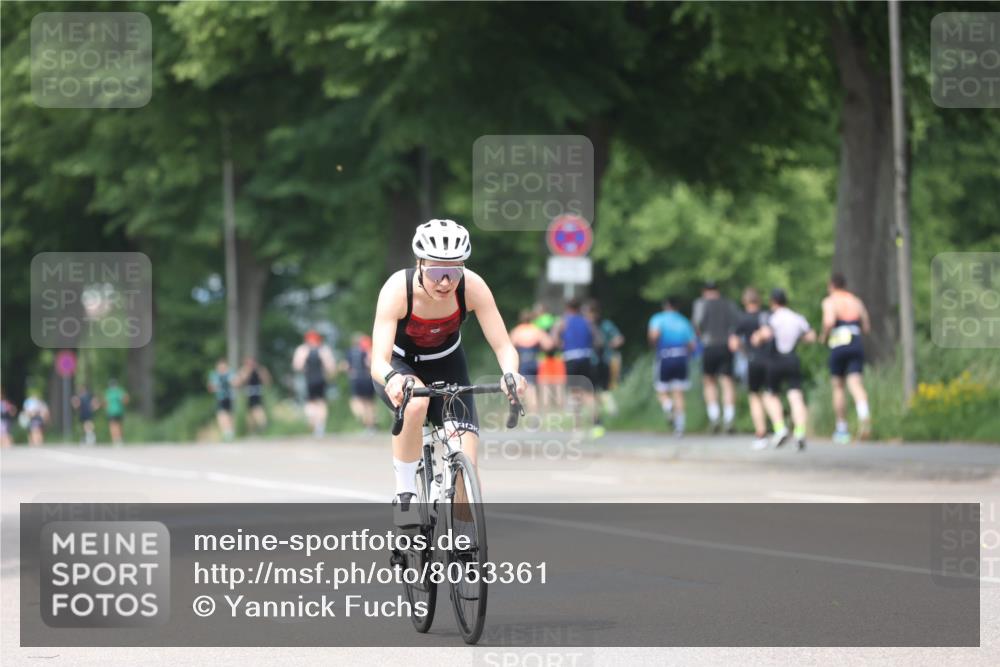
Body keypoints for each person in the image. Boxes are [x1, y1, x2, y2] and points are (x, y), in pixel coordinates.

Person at [371, 219, 525, 527]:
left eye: (453, 272)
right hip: (402, 366)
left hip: (448, 363)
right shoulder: (397, 290)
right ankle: (405, 496)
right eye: (436, 272)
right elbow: (378, 359)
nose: (445, 282)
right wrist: (392, 380)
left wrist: (511, 374)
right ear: (419, 265)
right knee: (415, 404)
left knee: (465, 490)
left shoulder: (472, 287)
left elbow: (504, 345)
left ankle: (462, 547)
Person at [754, 288, 816, 451]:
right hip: (792, 359)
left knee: (770, 395)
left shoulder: (773, 318)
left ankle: (780, 428)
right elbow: (811, 336)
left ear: (772, 302)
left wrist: (757, 338)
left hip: (776, 360)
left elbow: (764, 335)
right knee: (795, 396)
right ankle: (800, 431)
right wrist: (798, 337)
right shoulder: (796, 317)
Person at [820, 273, 872, 443]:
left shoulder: (830, 301)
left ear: (831, 286)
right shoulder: (856, 301)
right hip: (856, 341)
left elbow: (829, 322)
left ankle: (842, 429)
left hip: (839, 343)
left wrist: (823, 337)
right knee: (856, 383)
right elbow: (866, 326)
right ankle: (864, 415)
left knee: (838, 386)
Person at [692, 280, 741, 433]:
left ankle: (714, 417)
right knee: (727, 382)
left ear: (704, 291)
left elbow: (697, 324)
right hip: (726, 346)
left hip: (709, 345)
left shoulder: (701, 303)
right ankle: (729, 418)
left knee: (709, 381)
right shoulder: (729, 304)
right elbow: (737, 325)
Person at [552, 298, 604, 437]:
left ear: (567, 307)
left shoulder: (562, 321)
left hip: (570, 358)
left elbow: (554, 340)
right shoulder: (587, 321)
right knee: (588, 392)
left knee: (575, 393)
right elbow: (599, 340)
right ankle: (597, 424)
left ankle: (577, 427)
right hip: (586, 357)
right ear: (579, 308)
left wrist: (562, 344)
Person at [648, 297, 697, 436]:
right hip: (681, 357)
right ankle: (680, 427)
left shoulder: (658, 319)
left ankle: (668, 405)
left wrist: (653, 345)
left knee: (661, 390)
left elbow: (654, 335)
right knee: (679, 393)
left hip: (664, 356)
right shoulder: (684, 321)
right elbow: (692, 344)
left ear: (666, 306)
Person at [730, 288, 771, 450]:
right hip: (770, 361)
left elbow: (733, 344)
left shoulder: (741, 319)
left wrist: (744, 349)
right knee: (771, 395)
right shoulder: (766, 316)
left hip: (753, 361)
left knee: (755, 397)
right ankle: (779, 427)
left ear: (744, 301)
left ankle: (761, 434)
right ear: (759, 301)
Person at [508, 309, 554, 413]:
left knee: (530, 389)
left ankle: (534, 413)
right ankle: (546, 412)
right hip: (537, 361)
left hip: (524, 362)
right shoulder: (536, 330)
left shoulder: (517, 331)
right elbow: (549, 345)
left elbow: (509, 347)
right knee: (544, 387)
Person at [292, 330, 337, 437]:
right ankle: (320, 426)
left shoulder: (302, 350)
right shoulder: (324, 350)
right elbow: (331, 367)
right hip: (321, 379)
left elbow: (297, 366)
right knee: (321, 402)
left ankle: (313, 422)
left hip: (308, 379)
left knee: (310, 402)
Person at [587, 300, 624, 416]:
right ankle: (603, 411)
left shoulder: (605, 325)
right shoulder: (588, 325)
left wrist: (610, 345)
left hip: (602, 360)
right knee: (595, 389)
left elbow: (619, 339)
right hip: (592, 361)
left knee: (602, 388)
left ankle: (608, 411)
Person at [343, 333, 376, 432]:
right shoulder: (366, 350)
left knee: (356, 401)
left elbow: (346, 366)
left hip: (356, 378)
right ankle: (371, 426)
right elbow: (369, 363)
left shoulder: (349, 352)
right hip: (367, 378)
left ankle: (362, 416)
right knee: (369, 403)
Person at [235, 356, 271, 434]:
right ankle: (252, 431)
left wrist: (260, 372)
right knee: (250, 413)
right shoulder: (244, 370)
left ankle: (263, 426)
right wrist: (247, 372)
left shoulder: (260, 370)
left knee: (257, 409)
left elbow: (267, 381)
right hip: (248, 394)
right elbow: (238, 383)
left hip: (257, 393)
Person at [207, 359, 236, 441]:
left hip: (229, 397)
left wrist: (232, 382)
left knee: (229, 416)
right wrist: (214, 387)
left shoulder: (230, 373)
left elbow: (236, 382)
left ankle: (230, 432)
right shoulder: (214, 375)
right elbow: (210, 387)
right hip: (220, 398)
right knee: (221, 416)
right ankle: (226, 432)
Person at [103, 379, 128, 445]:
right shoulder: (119, 391)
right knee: (119, 425)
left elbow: (106, 403)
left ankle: (115, 439)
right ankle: (119, 439)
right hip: (119, 411)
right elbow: (125, 400)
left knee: (113, 425)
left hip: (111, 411)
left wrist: (106, 409)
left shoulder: (108, 392)